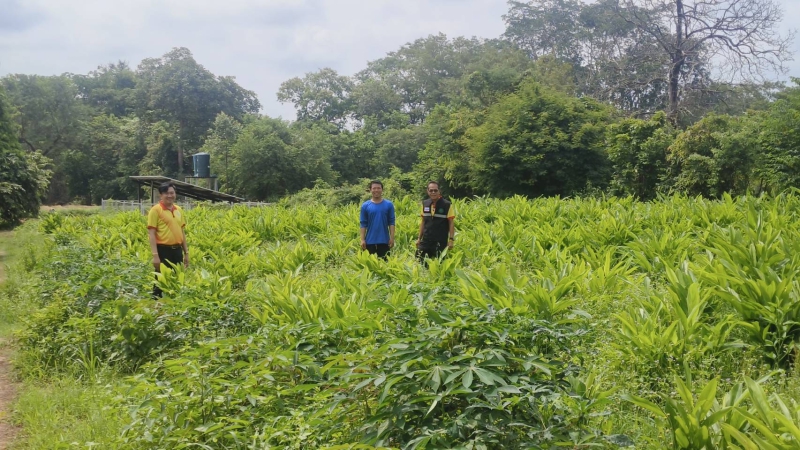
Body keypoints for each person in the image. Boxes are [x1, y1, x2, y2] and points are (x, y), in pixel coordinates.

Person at [147, 182, 189, 298]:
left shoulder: (178, 210)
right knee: (160, 281)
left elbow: (182, 232)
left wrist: (186, 252)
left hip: (177, 250)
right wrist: (155, 255)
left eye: (172, 193)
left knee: (178, 280)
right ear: (161, 195)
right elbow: (151, 234)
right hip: (163, 250)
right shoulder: (155, 210)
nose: (170, 195)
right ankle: (157, 304)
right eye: (166, 193)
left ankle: (175, 303)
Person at [416, 181, 455, 263]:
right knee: (419, 261)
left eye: (435, 190)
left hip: (440, 241)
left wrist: (451, 240)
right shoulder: (425, 204)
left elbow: (451, 223)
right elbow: (423, 222)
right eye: (431, 190)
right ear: (427, 191)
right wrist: (419, 238)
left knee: (440, 264)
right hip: (426, 240)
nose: (433, 192)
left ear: (439, 191)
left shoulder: (447, 205)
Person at [359, 180, 396, 259]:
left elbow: (391, 222)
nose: (376, 190)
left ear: (382, 190)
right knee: (369, 264)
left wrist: (392, 238)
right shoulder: (365, 206)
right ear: (370, 190)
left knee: (384, 264)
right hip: (369, 242)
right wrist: (362, 240)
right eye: (374, 188)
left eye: (378, 188)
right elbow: (363, 224)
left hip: (384, 241)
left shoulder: (389, 205)